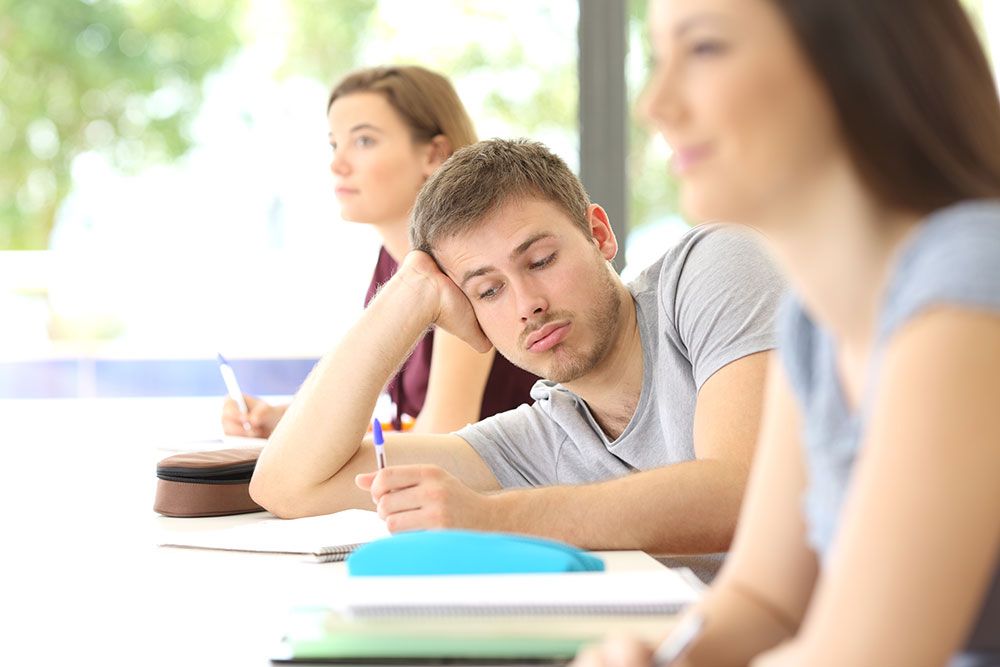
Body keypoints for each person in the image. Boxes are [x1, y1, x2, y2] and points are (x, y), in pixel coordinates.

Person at [574, 0, 1000, 665]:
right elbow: (764, 600)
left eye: (705, 49)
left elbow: (869, 651)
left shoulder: (973, 277)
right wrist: (667, 655)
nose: (654, 104)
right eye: (659, 58)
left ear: (854, 57)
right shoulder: (814, 319)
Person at [249, 138, 786, 580]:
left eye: (541, 260)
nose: (528, 303)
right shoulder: (538, 438)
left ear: (598, 234)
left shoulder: (712, 267)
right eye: (487, 292)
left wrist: (488, 516)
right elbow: (288, 485)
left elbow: (741, 491)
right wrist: (406, 296)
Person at [222, 65, 538, 436]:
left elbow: (443, 437)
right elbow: (387, 407)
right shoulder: (396, 263)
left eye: (364, 141)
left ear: (434, 154)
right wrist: (285, 421)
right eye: (334, 144)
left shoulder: (463, 268)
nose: (337, 164)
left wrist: (305, 444)